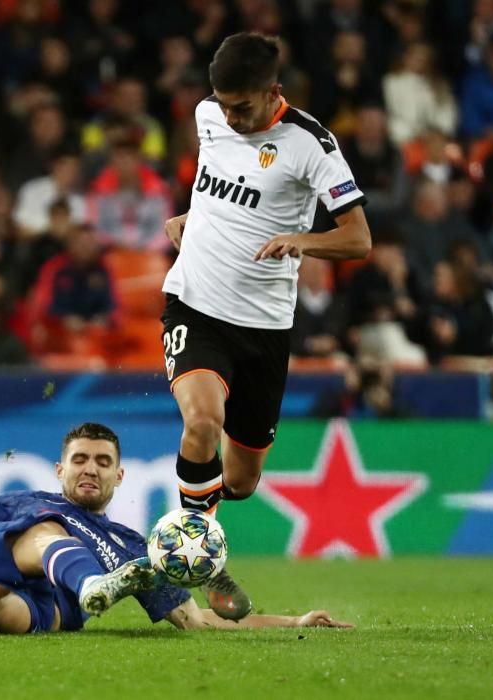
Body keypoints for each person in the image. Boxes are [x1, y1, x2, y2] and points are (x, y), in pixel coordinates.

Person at [161, 32, 371, 620]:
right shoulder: (208, 116)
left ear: (272, 92)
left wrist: (302, 240)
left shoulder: (312, 144)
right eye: (222, 104)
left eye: (242, 107)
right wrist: (192, 216)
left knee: (243, 478)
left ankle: (189, 512)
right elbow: (218, 186)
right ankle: (199, 558)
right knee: (202, 422)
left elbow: (358, 239)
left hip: (265, 328)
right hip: (195, 306)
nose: (229, 116)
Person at [0, 416, 351, 636]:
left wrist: (295, 619)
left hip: (39, 608)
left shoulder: (135, 546)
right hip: (1, 554)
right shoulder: (23, 502)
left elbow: (200, 620)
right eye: (81, 460)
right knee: (46, 532)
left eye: (102, 462)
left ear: (119, 476)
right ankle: (91, 585)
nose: (90, 469)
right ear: (61, 468)